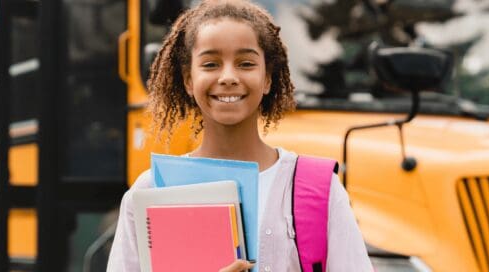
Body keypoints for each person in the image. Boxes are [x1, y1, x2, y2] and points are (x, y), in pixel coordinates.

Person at [107, 0, 372, 271]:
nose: (228, 77)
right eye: (210, 64)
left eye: (246, 63)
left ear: (267, 78)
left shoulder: (320, 190)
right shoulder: (152, 192)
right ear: (188, 80)